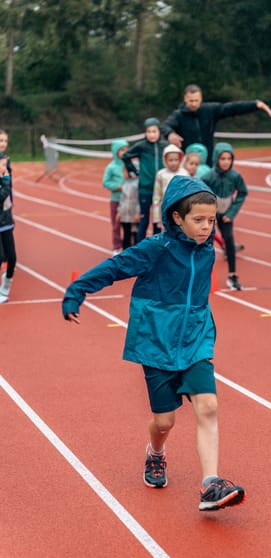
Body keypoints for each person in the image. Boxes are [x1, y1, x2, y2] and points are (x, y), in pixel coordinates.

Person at [62, 175, 246, 512]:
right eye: (199, 220)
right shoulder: (156, 249)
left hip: (195, 338)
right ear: (177, 217)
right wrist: (77, 292)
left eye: (211, 220)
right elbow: (115, 267)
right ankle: (156, 453)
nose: (207, 228)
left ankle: (209, 485)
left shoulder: (206, 250)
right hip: (156, 341)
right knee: (165, 421)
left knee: (207, 406)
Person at [161, 83, 271, 166]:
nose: (194, 104)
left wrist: (255, 105)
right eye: (191, 101)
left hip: (208, 162)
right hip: (188, 164)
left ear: (201, 98)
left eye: (197, 100)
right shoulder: (178, 115)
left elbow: (231, 108)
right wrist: (170, 134)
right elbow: (165, 126)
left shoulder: (210, 110)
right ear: (185, 98)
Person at [201, 143, 247, 291]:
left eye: (229, 158)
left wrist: (231, 212)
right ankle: (203, 277)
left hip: (227, 213)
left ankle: (232, 275)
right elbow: (200, 193)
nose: (226, 162)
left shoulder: (235, 176)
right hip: (211, 214)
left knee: (229, 240)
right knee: (206, 243)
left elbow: (242, 192)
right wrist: (208, 212)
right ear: (216, 159)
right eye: (222, 158)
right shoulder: (208, 176)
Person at [122, 118, 167, 242]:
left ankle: (156, 245)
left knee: (158, 220)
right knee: (144, 219)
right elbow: (126, 156)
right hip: (145, 188)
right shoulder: (141, 146)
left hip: (161, 190)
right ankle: (139, 247)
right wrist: (133, 171)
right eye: (149, 131)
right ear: (145, 133)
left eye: (154, 131)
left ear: (159, 132)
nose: (152, 134)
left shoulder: (165, 146)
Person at [102, 139, 130, 255]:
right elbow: (105, 182)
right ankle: (117, 246)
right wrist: (116, 186)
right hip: (116, 200)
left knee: (129, 224)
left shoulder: (129, 164)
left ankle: (128, 244)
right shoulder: (111, 167)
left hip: (129, 200)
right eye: (121, 150)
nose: (124, 152)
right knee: (116, 224)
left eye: (126, 149)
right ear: (115, 152)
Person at [152, 144, 187, 233]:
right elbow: (156, 196)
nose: (173, 162)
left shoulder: (184, 173)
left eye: (176, 160)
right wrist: (156, 217)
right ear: (165, 160)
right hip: (166, 209)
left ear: (180, 160)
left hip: (181, 209)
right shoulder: (161, 174)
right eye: (170, 160)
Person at [0, 151, 16, 304]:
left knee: (12, 258)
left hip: (6, 224)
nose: (6, 168)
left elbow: (9, 199)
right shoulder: (5, 180)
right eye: (3, 165)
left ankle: (6, 286)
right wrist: (5, 180)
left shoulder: (6, 178)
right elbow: (2, 195)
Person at [118, 168, 141, 249]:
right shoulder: (125, 184)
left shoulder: (137, 184)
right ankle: (125, 254)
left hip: (133, 215)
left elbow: (139, 200)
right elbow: (122, 199)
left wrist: (138, 213)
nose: (123, 174)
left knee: (135, 234)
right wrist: (119, 212)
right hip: (125, 215)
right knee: (126, 234)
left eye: (124, 171)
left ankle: (135, 254)